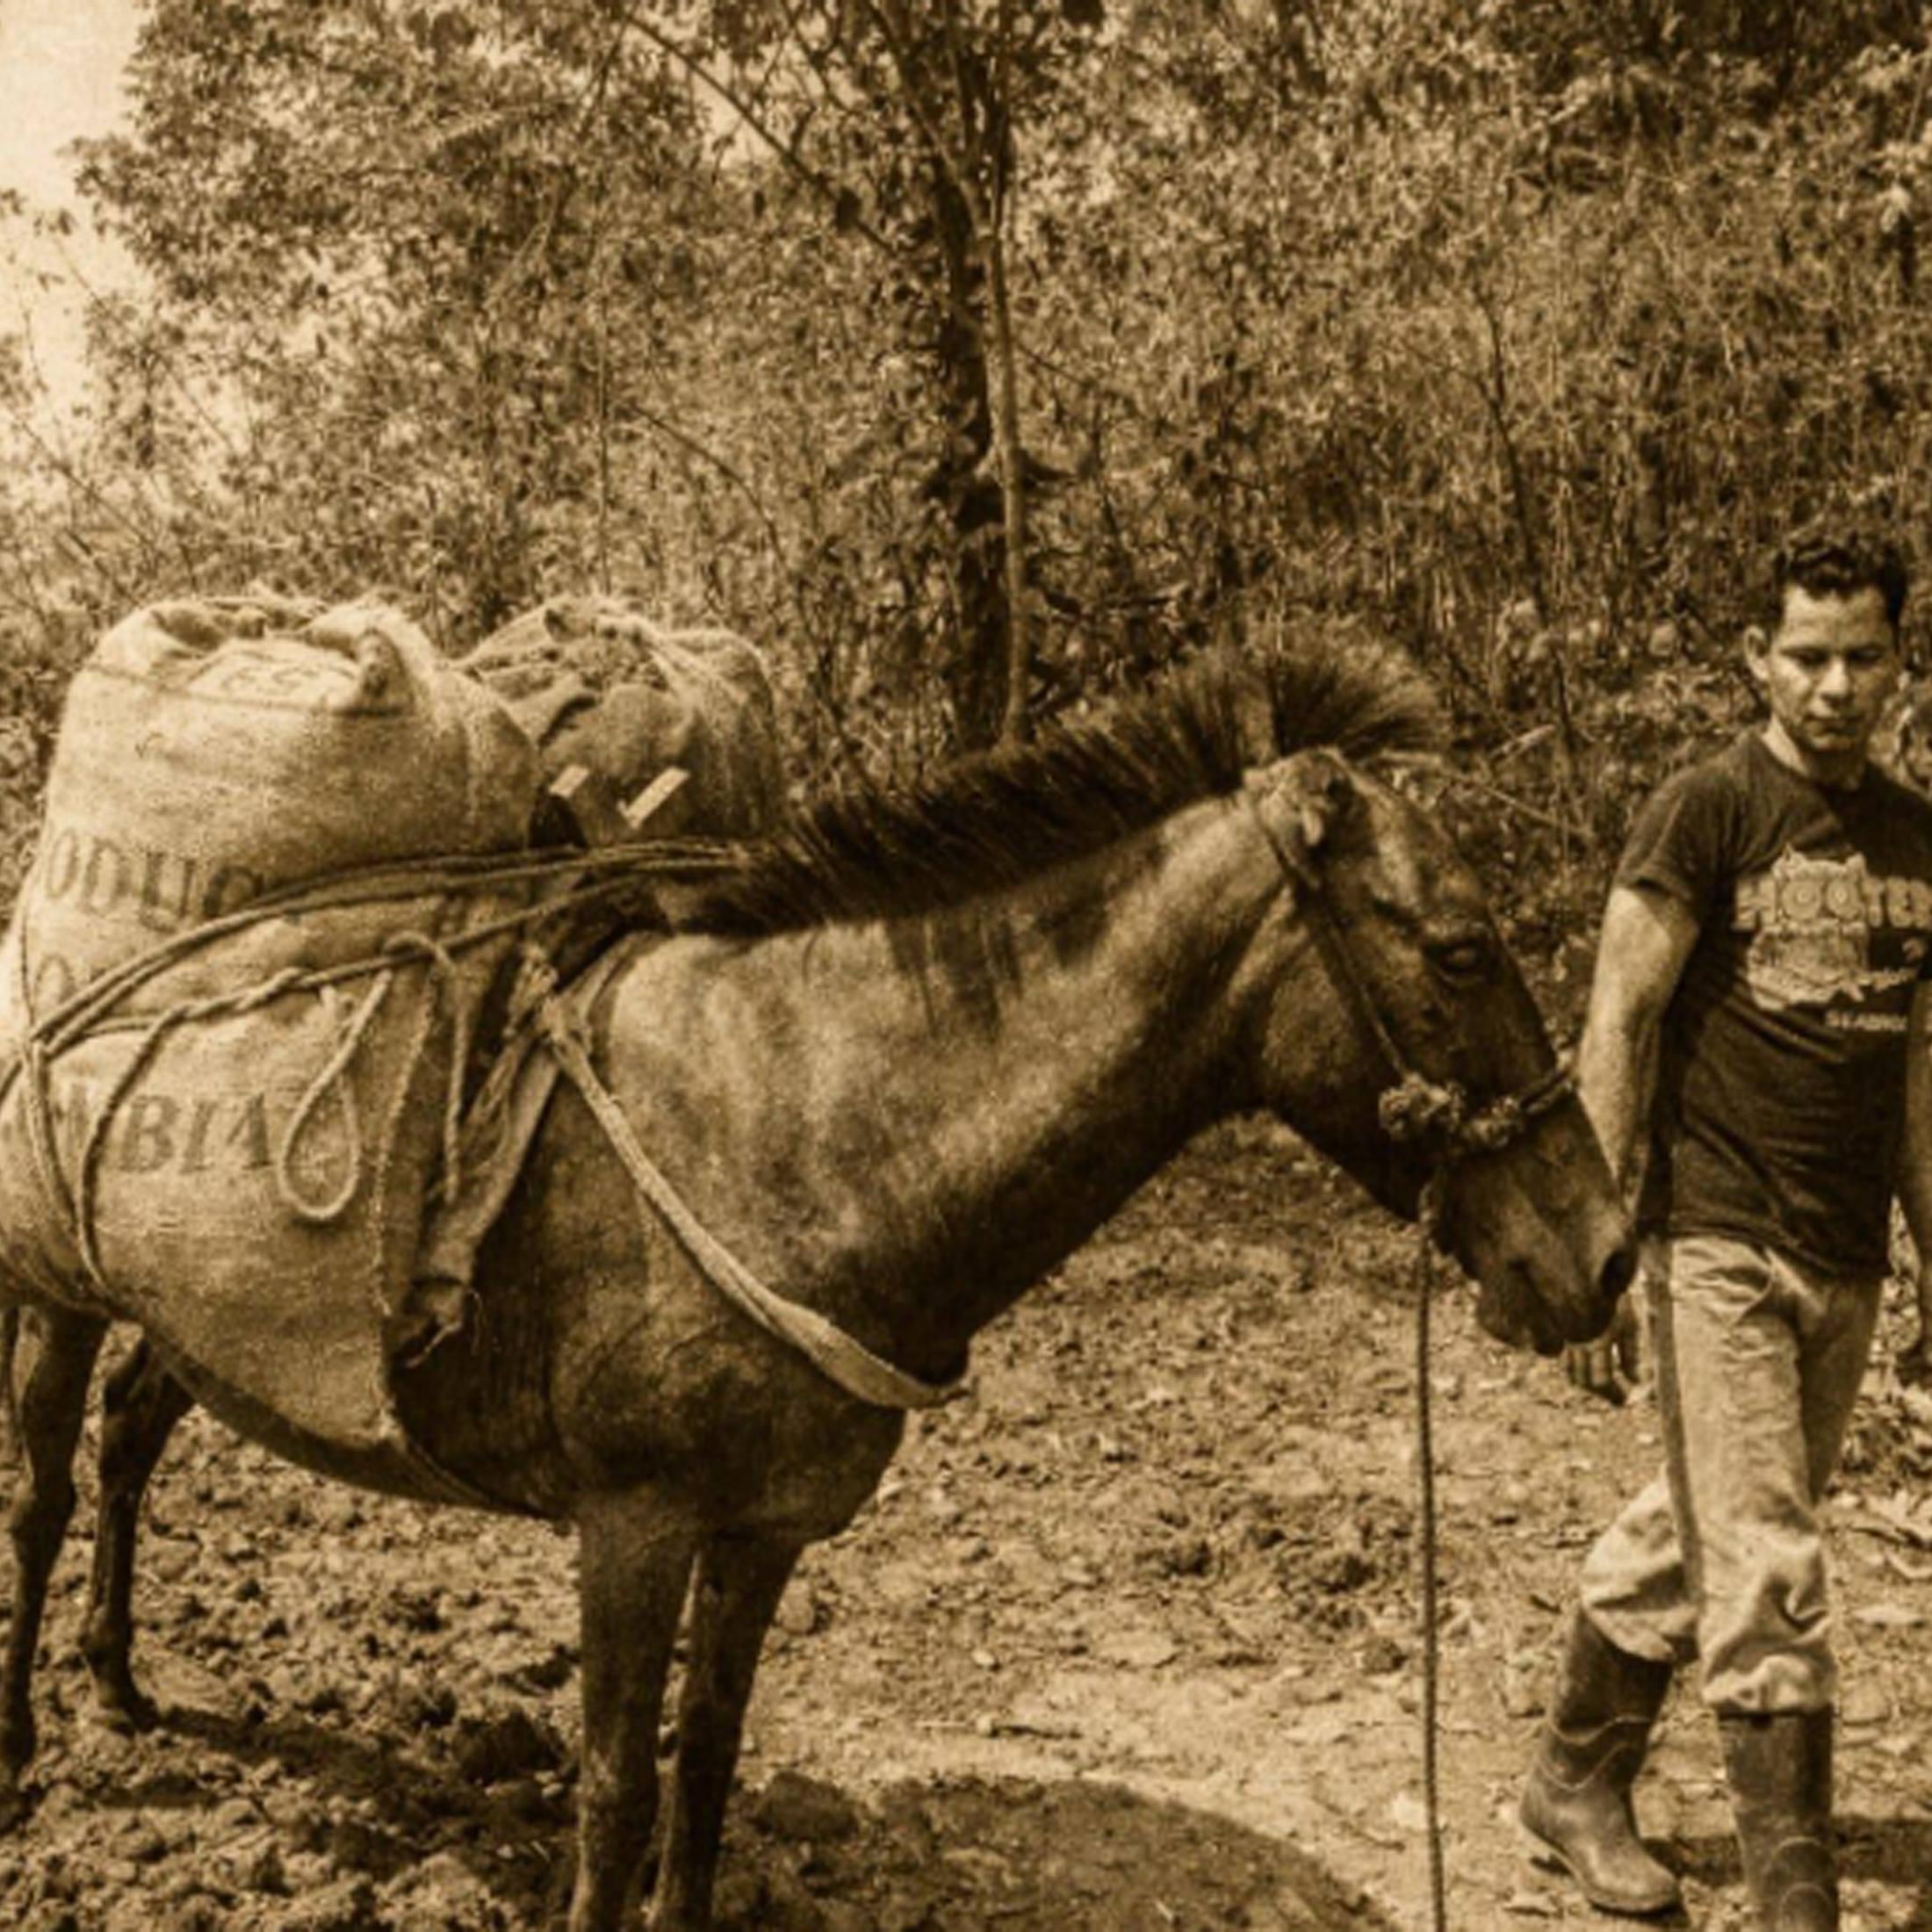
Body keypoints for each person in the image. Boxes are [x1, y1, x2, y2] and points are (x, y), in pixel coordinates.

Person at [1518, 520, 1932, 1930]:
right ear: (1758, 662)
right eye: (1805, 656)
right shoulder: (1705, 810)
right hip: (1716, 1237)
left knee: (1704, 1526)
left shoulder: (1920, 838)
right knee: (1769, 1560)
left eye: (1861, 656)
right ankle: (1793, 1900)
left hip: (1844, 1253)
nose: (1832, 685)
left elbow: (1922, 1066)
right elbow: (1620, 1020)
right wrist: (1599, 1249)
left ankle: (1572, 1779)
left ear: (1901, 667)